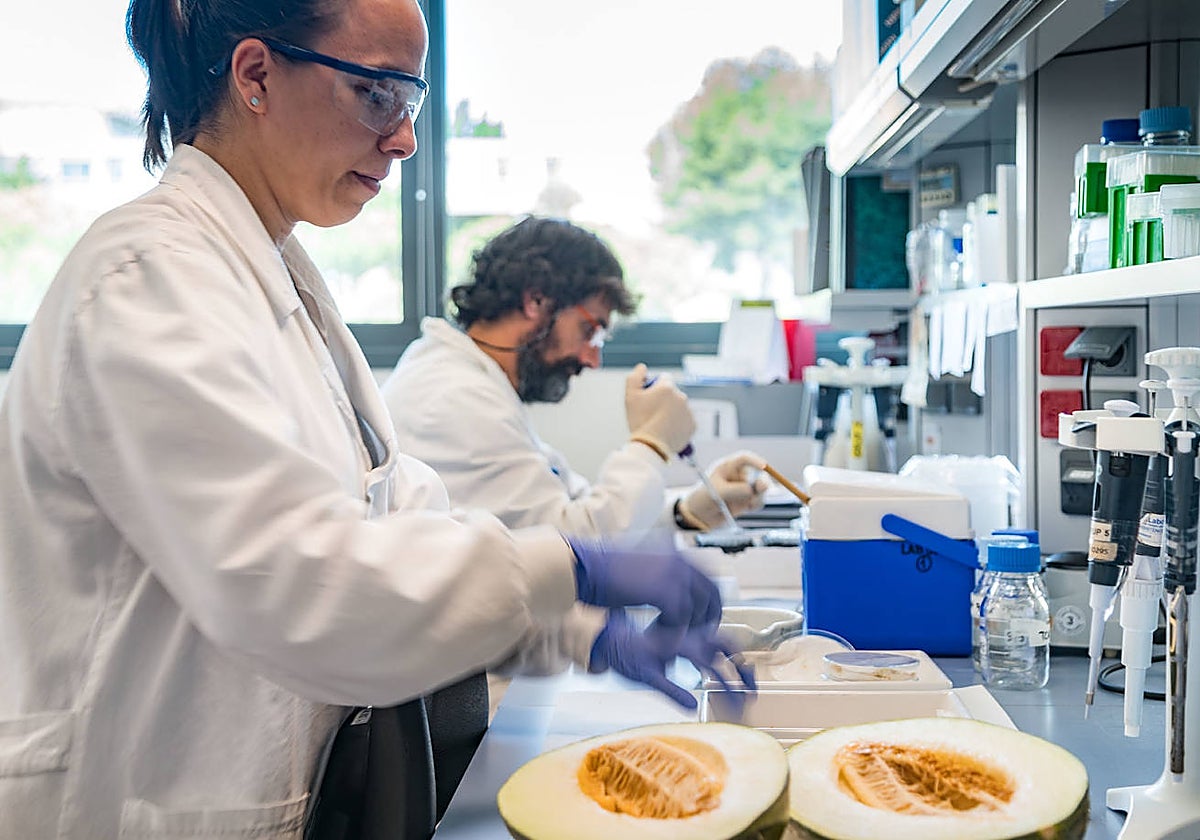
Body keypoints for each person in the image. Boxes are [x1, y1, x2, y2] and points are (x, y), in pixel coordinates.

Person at [0, 1, 745, 837]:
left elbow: (398, 525)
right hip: (124, 804)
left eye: (411, 100)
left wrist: (575, 630)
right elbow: (298, 582)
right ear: (256, 75)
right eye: (377, 93)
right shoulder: (147, 280)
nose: (406, 140)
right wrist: (571, 564)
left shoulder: (275, 279)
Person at [382, 216, 771, 539]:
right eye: (590, 331)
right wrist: (649, 446)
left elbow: (575, 507)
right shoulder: (454, 398)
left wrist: (685, 511)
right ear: (536, 301)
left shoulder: (476, 382)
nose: (592, 359)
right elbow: (573, 544)